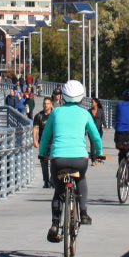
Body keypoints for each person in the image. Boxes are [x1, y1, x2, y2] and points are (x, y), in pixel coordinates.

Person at [38, 80, 103, 243]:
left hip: (58, 159)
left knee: (58, 191)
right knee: (81, 178)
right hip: (79, 159)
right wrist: (99, 153)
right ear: (81, 96)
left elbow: (45, 136)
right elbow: (95, 136)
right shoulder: (85, 114)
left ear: (64, 96)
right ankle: (84, 213)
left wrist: (42, 153)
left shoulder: (55, 112)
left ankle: (54, 224)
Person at [32, 97, 55, 187]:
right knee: (44, 162)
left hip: (54, 142)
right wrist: (34, 140)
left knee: (54, 162)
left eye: (48, 103)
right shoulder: (39, 116)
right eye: (44, 103)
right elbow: (35, 128)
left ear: (51, 104)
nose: (46, 105)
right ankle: (46, 181)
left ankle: (52, 180)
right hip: (43, 142)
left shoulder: (55, 115)